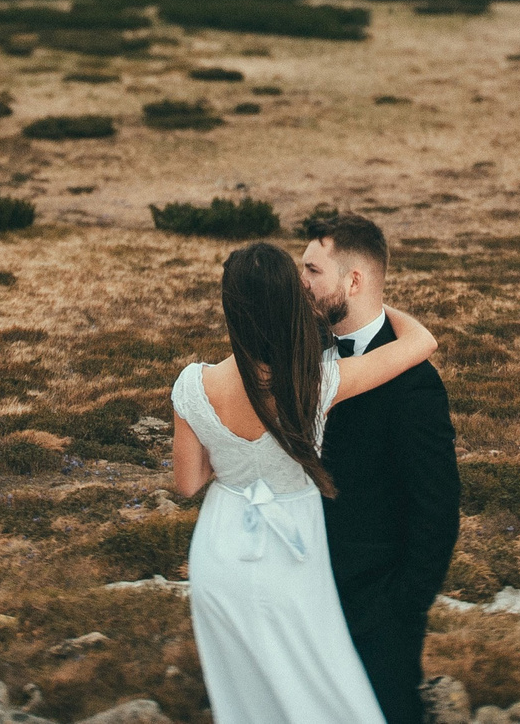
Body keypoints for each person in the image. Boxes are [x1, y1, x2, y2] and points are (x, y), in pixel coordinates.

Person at [170, 240, 439, 724]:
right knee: (317, 681)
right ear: (291, 302)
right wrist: (371, 293)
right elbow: (422, 343)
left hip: (221, 549)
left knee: (245, 693)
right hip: (293, 548)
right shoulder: (319, 382)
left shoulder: (192, 385)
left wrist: (231, 455)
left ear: (230, 308)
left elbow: (188, 483)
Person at [302, 214, 461, 724]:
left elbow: (436, 506)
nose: (300, 283)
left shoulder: (415, 385)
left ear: (354, 280)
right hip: (303, 595)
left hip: (379, 608)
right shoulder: (300, 357)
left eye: (311, 271)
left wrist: (403, 605)